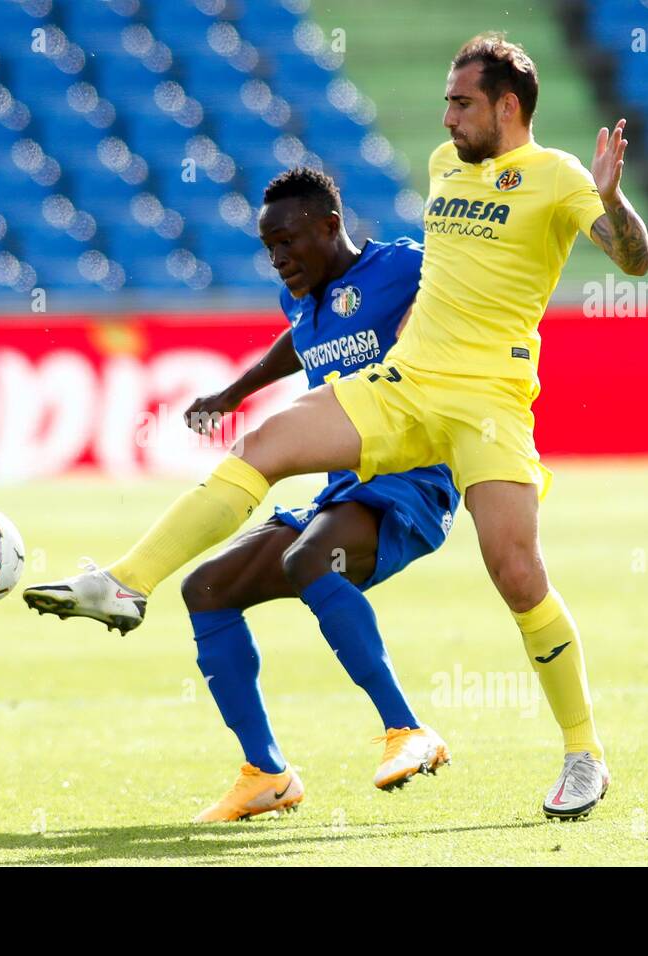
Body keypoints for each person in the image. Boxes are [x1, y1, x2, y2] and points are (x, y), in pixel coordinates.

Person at [25, 33, 648, 821]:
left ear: (507, 105)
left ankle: (583, 753)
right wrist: (239, 387)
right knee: (265, 444)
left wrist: (614, 199)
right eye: (447, 102)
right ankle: (124, 583)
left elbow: (632, 261)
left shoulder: (560, 179)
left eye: (462, 102)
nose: (448, 116)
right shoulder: (442, 166)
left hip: (487, 402)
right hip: (405, 384)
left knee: (517, 573)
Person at [174, 169, 459, 822]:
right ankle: (265, 774)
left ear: (331, 225)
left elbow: (477, 290)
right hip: (345, 491)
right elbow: (298, 344)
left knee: (309, 560)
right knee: (206, 589)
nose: (278, 258)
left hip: (414, 483)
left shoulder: (404, 268)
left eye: (288, 240)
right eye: (267, 246)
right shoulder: (299, 301)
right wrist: (232, 393)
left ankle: (408, 730)